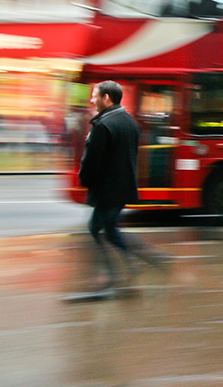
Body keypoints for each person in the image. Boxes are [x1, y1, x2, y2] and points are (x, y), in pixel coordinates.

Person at [70, 81, 168, 302]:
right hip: (123, 187)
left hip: (107, 188)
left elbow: (92, 161)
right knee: (105, 228)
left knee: (97, 228)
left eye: (94, 96)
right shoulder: (130, 123)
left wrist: (84, 179)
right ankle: (138, 263)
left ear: (107, 98)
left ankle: (117, 273)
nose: (91, 100)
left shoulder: (103, 125)